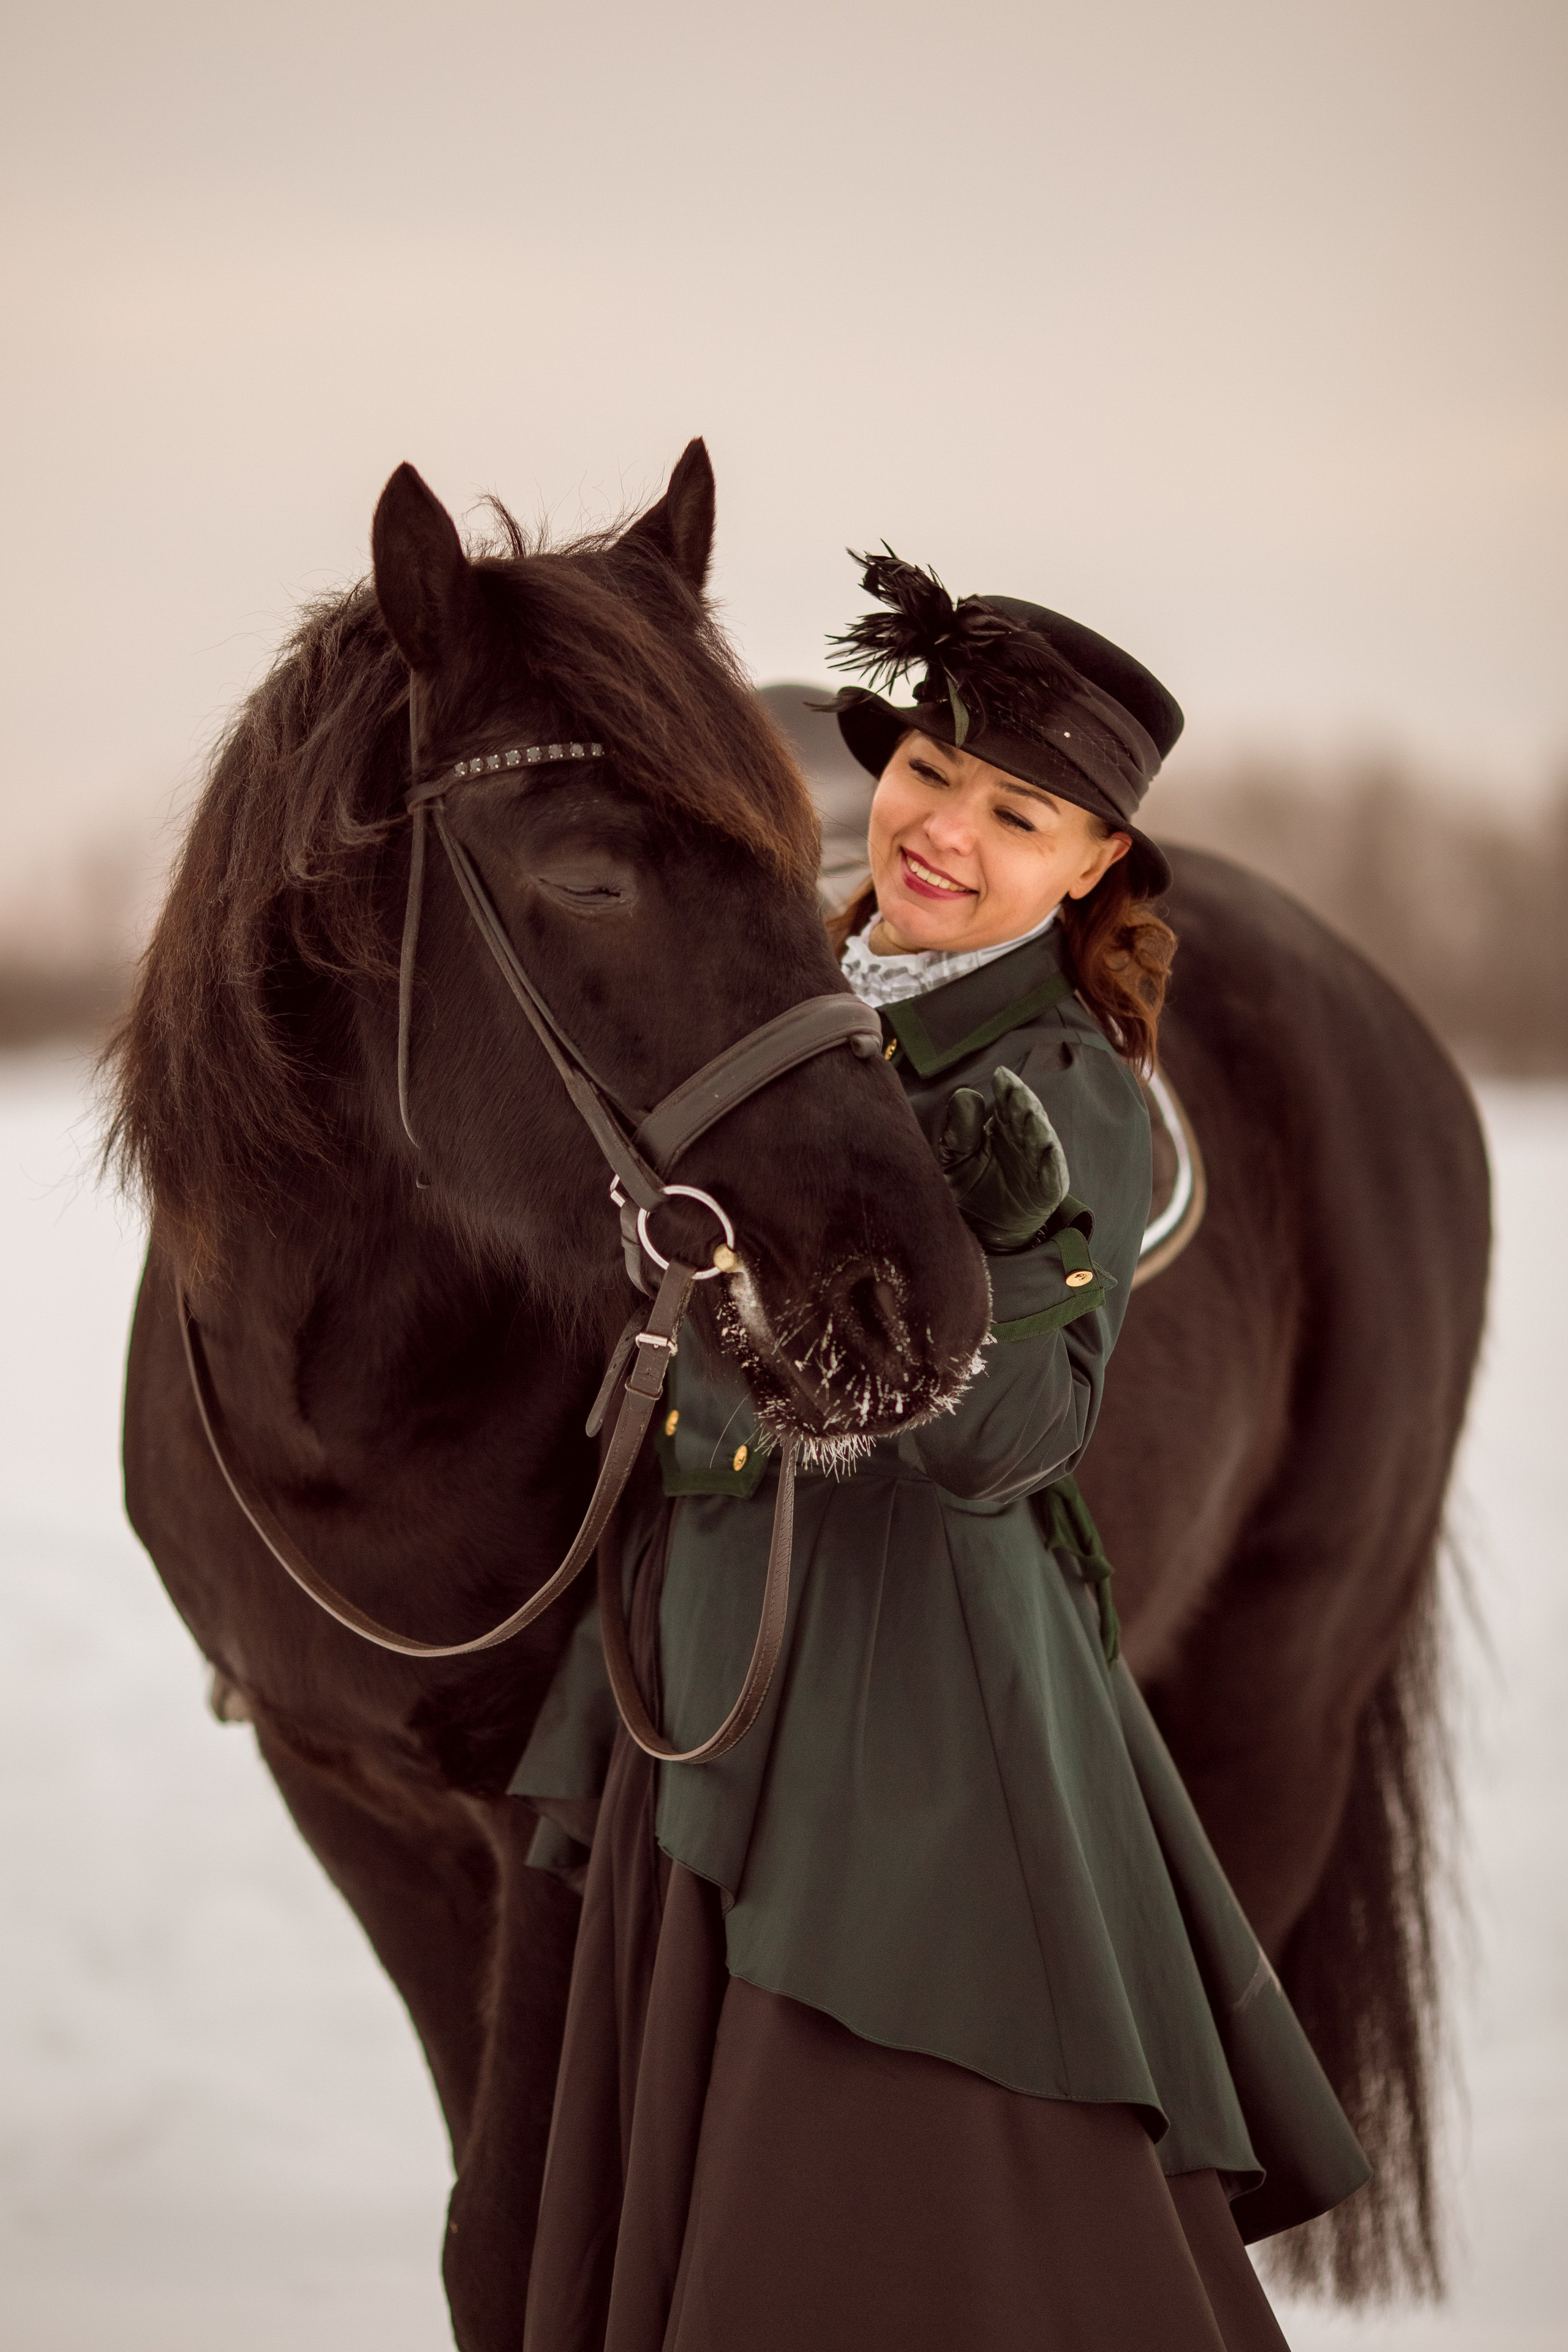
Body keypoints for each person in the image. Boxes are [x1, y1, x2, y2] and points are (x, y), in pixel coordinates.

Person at [510, 552, 1369, 2350]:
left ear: (1092, 865)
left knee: (872, 2231)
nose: (944, 831)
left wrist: (926, 1291)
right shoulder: (787, 1006)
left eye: (1019, 810)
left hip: (907, 1714)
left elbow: (1013, 1446)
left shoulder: (1062, 1088)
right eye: (926, 773)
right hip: (714, 1645)